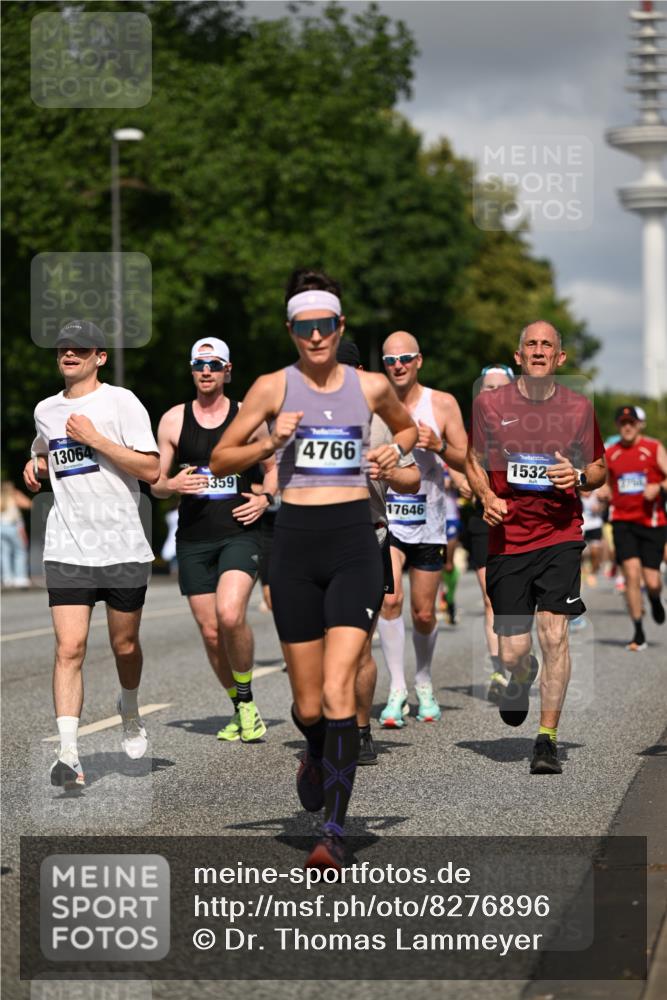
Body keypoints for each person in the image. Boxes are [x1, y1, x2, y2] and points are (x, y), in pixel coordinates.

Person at [209, 269, 417, 869]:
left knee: (338, 691)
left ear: (340, 325)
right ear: (292, 331)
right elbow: (224, 454)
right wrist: (269, 442)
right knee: (306, 706)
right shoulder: (273, 387)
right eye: (305, 327)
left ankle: (333, 828)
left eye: (326, 325)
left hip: (354, 541)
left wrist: (393, 451)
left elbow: (408, 429)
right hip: (295, 546)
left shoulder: (371, 385)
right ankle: (313, 751)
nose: (317, 336)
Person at [23, 320, 160, 790]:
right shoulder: (46, 409)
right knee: (69, 648)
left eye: (80, 348)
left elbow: (152, 467)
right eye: (63, 347)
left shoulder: (121, 402)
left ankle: (130, 708)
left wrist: (96, 439)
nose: (69, 353)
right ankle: (69, 754)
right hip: (68, 545)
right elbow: (45, 448)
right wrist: (35, 464)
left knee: (124, 646)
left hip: (121, 545)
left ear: (99, 356)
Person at [465, 321, 606, 775]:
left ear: (560, 358)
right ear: (519, 355)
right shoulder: (489, 405)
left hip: (560, 534)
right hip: (508, 537)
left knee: (555, 632)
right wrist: (486, 496)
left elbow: (600, 468)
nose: (540, 350)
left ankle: (546, 739)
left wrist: (580, 478)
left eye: (548, 344)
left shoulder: (579, 408)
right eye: (532, 344)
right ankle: (519, 674)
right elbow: (472, 460)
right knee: (512, 651)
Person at [152, 338, 277, 742]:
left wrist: (265, 498)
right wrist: (171, 484)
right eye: (199, 364)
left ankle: (244, 699)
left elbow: (274, 468)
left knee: (229, 615)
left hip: (240, 532)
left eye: (214, 364)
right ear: (192, 370)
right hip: (193, 538)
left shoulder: (247, 418)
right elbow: (155, 483)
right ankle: (244, 707)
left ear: (227, 371)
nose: (206, 371)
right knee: (209, 632)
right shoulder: (173, 420)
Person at [335, 339, 420, 766]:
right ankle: (327, 724)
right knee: (316, 646)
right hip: (314, 537)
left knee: (358, 646)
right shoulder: (303, 417)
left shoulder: (383, 421)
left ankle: (361, 729)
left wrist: (388, 468)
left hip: (367, 535)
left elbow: (414, 480)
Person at [376, 332, 468, 728]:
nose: (398, 365)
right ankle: (397, 689)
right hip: (388, 519)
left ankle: (423, 679)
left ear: (419, 361)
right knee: (390, 601)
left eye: (405, 358)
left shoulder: (442, 403)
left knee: (425, 613)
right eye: (390, 359)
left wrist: (439, 446)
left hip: (429, 522)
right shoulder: (375, 402)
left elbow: (467, 458)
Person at [603, 405, 667, 651]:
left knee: (651, 580)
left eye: (631, 422)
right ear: (618, 426)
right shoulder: (612, 452)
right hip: (622, 521)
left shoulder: (653, 448)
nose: (627, 427)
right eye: (622, 423)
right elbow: (603, 483)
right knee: (631, 574)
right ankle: (638, 631)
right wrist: (603, 491)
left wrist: (659, 487)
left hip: (651, 522)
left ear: (639, 424)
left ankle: (654, 597)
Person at [0, 481, 32, 587]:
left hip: (1, 527)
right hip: (13, 527)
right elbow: (29, 504)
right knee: (20, 551)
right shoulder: (14, 496)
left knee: (5, 553)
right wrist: (19, 494)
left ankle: (7, 578)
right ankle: (20, 577)